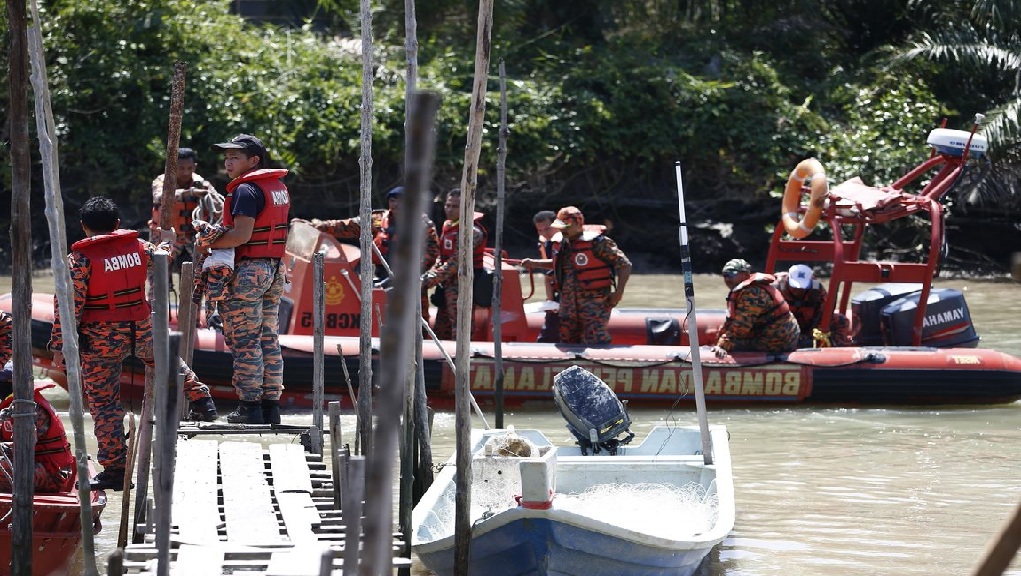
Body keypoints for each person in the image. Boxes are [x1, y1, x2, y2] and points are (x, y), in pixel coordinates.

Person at [48, 196, 218, 491]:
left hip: (101, 337)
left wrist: (60, 346)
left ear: (83, 228)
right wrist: (169, 239)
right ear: (117, 224)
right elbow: (164, 254)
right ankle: (202, 398)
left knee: (103, 403)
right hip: (141, 326)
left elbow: (68, 305)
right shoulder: (139, 247)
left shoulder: (80, 259)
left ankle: (115, 468)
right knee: (166, 362)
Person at [207, 134, 291, 425]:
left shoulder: (245, 190)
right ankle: (271, 406)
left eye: (235, 157)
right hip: (274, 269)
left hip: (249, 272)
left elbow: (241, 235)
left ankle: (249, 407)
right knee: (268, 337)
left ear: (253, 161)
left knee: (245, 341)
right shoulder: (277, 187)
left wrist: (207, 244)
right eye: (226, 156)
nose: (228, 162)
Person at [295, 186, 440, 321]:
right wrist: (315, 226)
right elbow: (346, 226)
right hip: (382, 277)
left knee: (416, 320)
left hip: (410, 280)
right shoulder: (378, 220)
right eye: (392, 200)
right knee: (379, 316)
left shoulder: (422, 224)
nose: (396, 204)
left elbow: (432, 252)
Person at [524, 206, 631, 346]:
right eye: (560, 227)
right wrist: (534, 263)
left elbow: (624, 265)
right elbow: (558, 264)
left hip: (594, 306)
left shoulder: (598, 242)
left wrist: (619, 292)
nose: (562, 230)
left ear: (577, 224)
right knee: (567, 343)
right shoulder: (562, 243)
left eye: (566, 227)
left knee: (595, 342)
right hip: (568, 306)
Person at [421, 189, 489, 340]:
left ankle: (461, 357)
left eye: (455, 207)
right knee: (442, 322)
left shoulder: (472, 231)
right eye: (448, 205)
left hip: (462, 283)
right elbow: (442, 255)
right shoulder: (449, 225)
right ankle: (439, 356)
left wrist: (431, 278)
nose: (449, 210)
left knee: (460, 322)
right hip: (446, 282)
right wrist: (433, 271)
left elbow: (456, 261)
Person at [712, 258, 800, 358]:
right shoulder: (742, 291)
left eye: (731, 274)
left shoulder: (753, 293)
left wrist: (722, 345)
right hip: (770, 334)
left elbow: (742, 326)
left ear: (745, 274)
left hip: (778, 340)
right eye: (725, 275)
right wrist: (719, 339)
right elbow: (732, 321)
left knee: (734, 346)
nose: (727, 279)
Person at [149, 147, 222, 263]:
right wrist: (190, 192)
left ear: (195, 167)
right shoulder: (162, 181)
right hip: (163, 234)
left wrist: (210, 196)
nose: (186, 172)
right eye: (181, 168)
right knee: (156, 269)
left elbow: (219, 208)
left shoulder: (202, 183)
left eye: (190, 168)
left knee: (203, 267)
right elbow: (158, 198)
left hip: (192, 236)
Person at [773, 264, 854, 347]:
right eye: (794, 286)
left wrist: (814, 333)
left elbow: (825, 312)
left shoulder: (817, 289)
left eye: (803, 287)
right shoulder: (776, 288)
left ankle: (837, 347)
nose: (798, 290)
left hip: (810, 324)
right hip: (784, 324)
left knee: (841, 320)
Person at [531, 210, 561, 343]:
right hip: (557, 293)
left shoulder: (566, 243)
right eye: (539, 230)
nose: (544, 233)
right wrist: (549, 301)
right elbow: (548, 276)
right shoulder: (547, 244)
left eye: (547, 228)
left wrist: (533, 263)